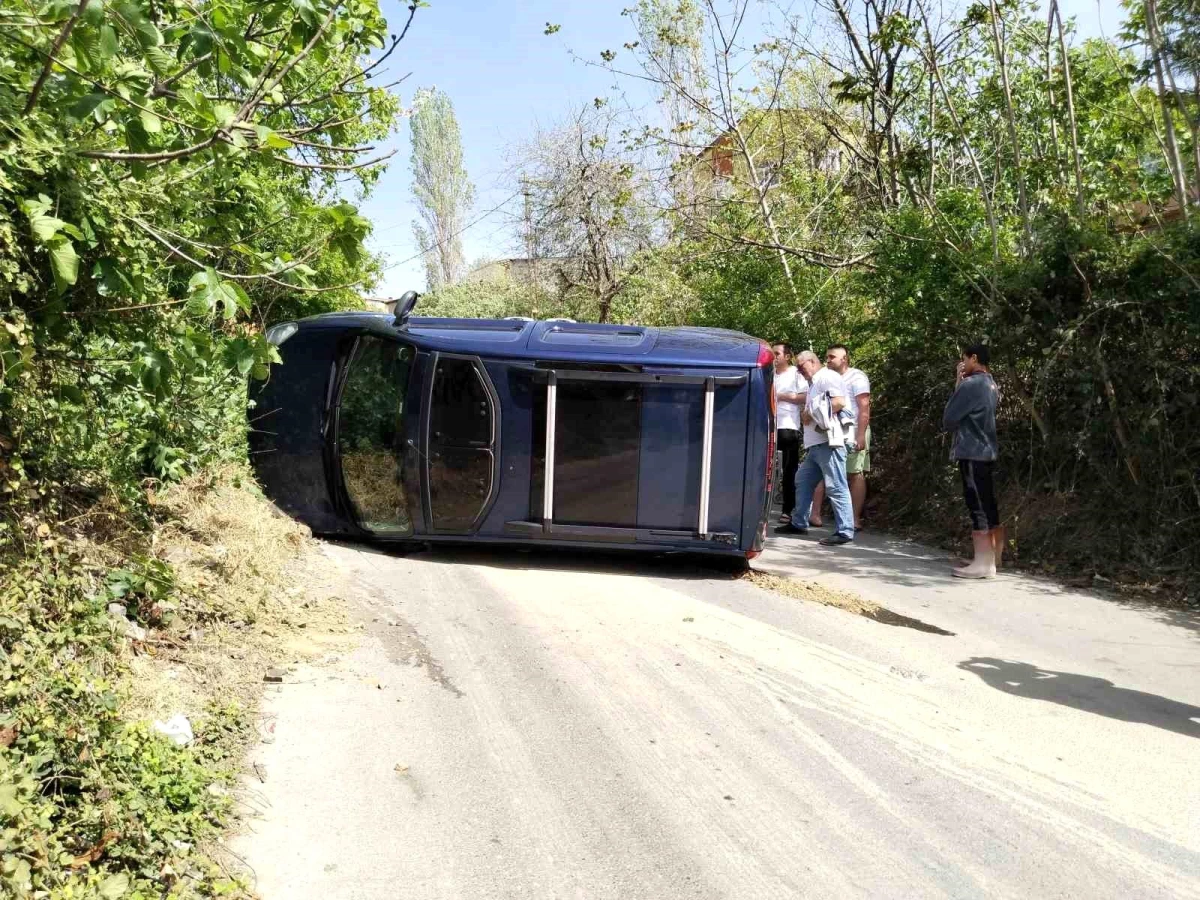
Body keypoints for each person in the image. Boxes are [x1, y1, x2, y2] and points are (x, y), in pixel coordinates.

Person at [775, 351, 855, 545]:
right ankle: (799, 522)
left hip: (830, 442)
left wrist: (808, 414)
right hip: (817, 444)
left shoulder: (827, 376)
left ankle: (845, 531)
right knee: (802, 480)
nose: (800, 371)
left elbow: (839, 402)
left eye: (802, 367)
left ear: (812, 362)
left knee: (836, 486)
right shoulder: (814, 383)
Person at [943, 343, 1003, 579]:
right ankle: (994, 557)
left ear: (974, 358)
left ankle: (984, 564)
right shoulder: (991, 383)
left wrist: (957, 384)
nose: (963, 364)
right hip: (987, 450)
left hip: (972, 450)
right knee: (988, 502)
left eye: (964, 360)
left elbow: (948, 419)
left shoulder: (971, 384)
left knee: (976, 502)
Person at [809, 345, 871, 529]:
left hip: (851, 430)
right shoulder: (824, 377)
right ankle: (815, 515)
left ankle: (853, 519)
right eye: (826, 357)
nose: (828, 360)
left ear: (844, 359)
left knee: (854, 473)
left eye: (832, 357)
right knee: (822, 470)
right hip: (829, 431)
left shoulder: (857, 377)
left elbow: (864, 407)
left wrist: (860, 435)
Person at [771, 343, 806, 527]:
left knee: (789, 470)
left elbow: (804, 396)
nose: (774, 356)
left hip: (788, 427)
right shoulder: (769, 374)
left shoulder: (795, 373)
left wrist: (782, 396)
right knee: (763, 470)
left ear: (787, 356)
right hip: (768, 426)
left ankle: (787, 510)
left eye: (777, 353)